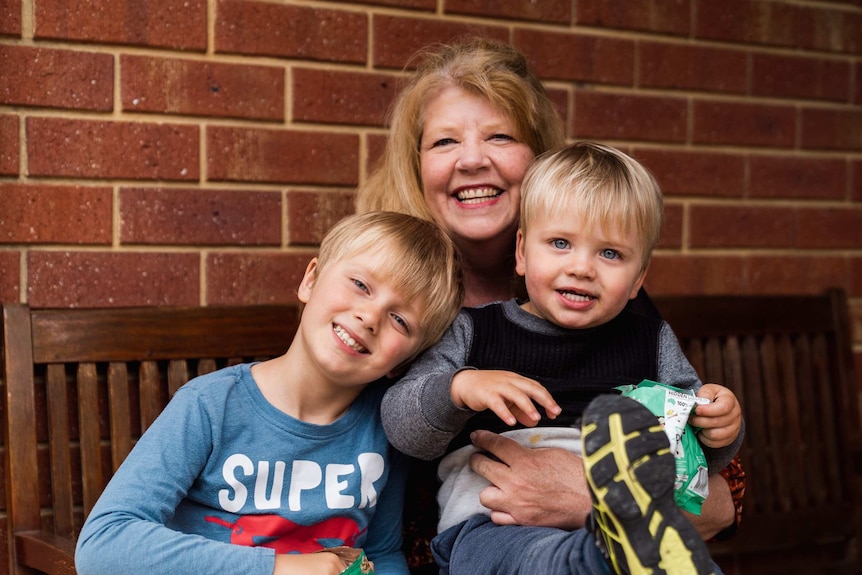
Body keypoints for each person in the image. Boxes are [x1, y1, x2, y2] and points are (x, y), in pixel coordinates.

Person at [355, 36, 742, 553]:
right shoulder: (377, 295)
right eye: (445, 142)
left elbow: (721, 497)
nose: (472, 159)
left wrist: (590, 496)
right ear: (415, 165)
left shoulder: (603, 302)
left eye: (500, 137)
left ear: (540, 160)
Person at [74, 212, 465, 575]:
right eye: (361, 285)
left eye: (400, 319)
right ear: (310, 280)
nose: (370, 317)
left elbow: (381, 554)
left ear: (407, 360)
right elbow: (104, 543)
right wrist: (281, 568)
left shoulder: (384, 429)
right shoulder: (211, 405)